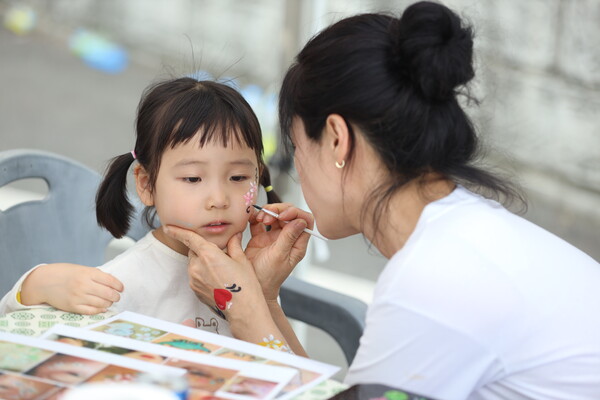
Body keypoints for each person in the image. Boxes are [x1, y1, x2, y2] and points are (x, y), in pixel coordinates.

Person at [160, 2, 600, 399]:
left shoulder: (434, 280)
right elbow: (330, 393)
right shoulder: (463, 238)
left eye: (296, 148)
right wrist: (265, 300)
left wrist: (237, 299)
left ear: (336, 140)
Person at [0, 78, 310, 340]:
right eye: (193, 178)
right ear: (147, 184)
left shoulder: (253, 270)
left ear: (257, 175)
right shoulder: (123, 284)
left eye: (239, 177)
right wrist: (36, 283)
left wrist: (265, 295)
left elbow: (287, 365)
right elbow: (14, 332)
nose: (219, 198)